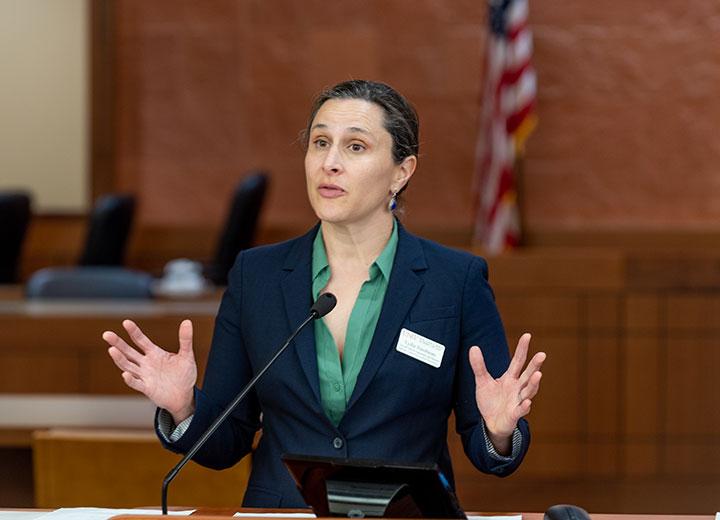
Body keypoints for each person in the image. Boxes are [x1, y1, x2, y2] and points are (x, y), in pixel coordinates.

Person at [103, 79, 546, 508]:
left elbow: (488, 453)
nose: (329, 163)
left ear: (401, 171)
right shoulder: (256, 276)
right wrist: (184, 409)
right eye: (319, 143)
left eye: (355, 147)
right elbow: (227, 442)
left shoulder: (455, 280)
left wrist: (499, 430)